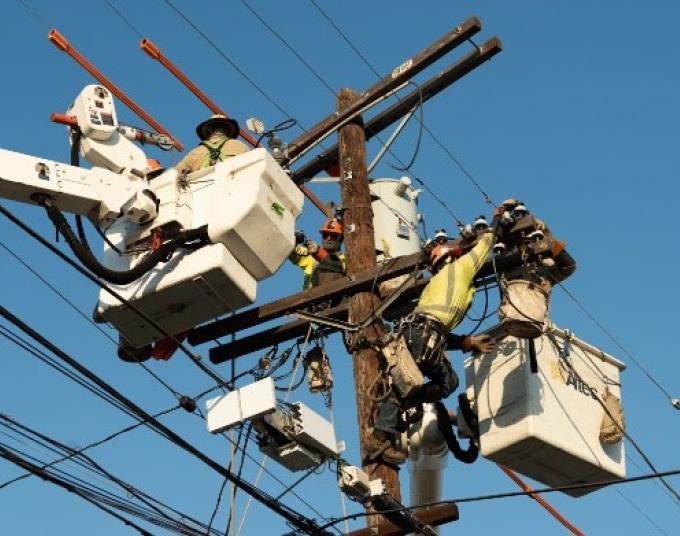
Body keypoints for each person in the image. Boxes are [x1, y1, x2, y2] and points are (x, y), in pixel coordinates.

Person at [366, 208, 503, 465]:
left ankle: (402, 405)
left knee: (447, 382)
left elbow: (435, 328)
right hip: (422, 335)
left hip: (423, 335)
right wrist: (496, 220)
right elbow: (486, 244)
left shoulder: (438, 284)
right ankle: (379, 437)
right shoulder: (458, 269)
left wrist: (465, 342)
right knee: (405, 385)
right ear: (452, 256)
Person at [117, 115, 248, 363]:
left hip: (196, 219)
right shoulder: (241, 149)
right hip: (229, 216)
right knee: (195, 293)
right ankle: (155, 341)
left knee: (170, 279)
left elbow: (175, 177)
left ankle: (146, 339)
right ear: (227, 131)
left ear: (208, 131)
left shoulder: (197, 153)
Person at [175, 114, 249, 175]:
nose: (218, 129)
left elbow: (175, 174)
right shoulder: (239, 145)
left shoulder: (195, 153)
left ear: (209, 130)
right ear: (227, 130)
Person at [289, 216, 347, 292]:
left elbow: (335, 265)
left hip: (334, 299)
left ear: (341, 238)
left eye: (333, 235)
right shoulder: (310, 256)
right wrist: (293, 238)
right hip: (310, 300)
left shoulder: (346, 259)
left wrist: (318, 252)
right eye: (325, 235)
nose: (328, 238)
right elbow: (289, 251)